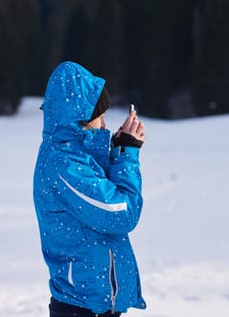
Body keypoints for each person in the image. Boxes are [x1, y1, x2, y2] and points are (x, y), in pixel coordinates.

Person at [33, 61, 147, 316]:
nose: (104, 126)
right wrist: (127, 155)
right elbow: (122, 214)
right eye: (100, 118)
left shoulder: (76, 158)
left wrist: (119, 149)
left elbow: (104, 193)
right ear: (81, 119)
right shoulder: (64, 164)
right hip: (81, 307)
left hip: (94, 303)